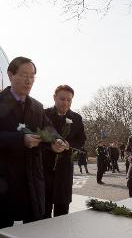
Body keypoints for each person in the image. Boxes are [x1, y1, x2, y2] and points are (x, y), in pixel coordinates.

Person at [0, 56, 68, 238]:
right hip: (2, 183)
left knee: (33, 232)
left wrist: (56, 141)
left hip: (31, 182)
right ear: (10, 75)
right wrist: (21, 140)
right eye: (24, 75)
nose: (29, 80)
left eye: (32, 76)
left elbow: (48, 129)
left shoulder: (36, 106)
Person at [43, 85, 86, 218]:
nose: (65, 103)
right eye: (62, 99)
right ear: (54, 97)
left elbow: (81, 139)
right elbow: (38, 137)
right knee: (43, 211)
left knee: (62, 212)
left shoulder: (76, 118)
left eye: (69, 100)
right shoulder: (43, 114)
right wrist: (51, 146)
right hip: (45, 167)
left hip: (64, 169)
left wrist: (68, 144)